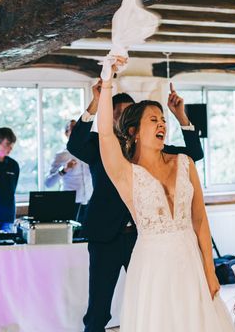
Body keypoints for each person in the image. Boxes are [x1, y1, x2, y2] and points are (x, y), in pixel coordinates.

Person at [97, 59, 234, 331]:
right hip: (152, 268)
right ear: (134, 132)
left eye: (163, 120)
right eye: (153, 120)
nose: (162, 124)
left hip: (191, 262)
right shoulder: (126, 174)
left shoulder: (184, 163)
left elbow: (200, 220)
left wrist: (209, 269)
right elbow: (104, 136)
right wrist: (107, 81)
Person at [67, 80, 204, 332]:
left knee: (154, 303)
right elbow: (74, 145)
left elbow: (194, 153)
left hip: (143, 240)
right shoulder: (101, 148)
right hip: (105, 236)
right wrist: (97, 102)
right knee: (99, 310)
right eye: (117, 113)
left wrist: (181, 116)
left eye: (129, 113)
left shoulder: (155, 150)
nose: (123, 119)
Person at [45, 119, 92, 221]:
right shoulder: (61, 155)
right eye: (73, 129)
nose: (76, 131)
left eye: (78, 129)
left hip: (89, 203)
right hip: (70, 204)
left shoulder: (89, 152)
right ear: (66, 133)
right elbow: (48, 183)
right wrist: (64, 169)